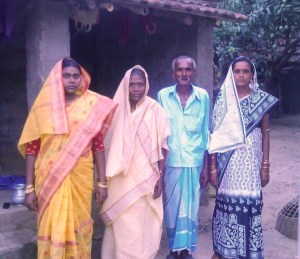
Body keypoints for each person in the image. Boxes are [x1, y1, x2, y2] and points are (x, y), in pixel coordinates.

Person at [18, 57, 117, 258]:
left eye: (75, 76)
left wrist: (103, 183)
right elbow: (32, 149)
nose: (71, 80)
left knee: (79, 225)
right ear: (57, 79)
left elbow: (98, 146)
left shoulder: (91, 105)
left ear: (81, 79)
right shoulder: (43, 108)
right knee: (52, 224)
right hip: (49, 178)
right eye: (66, 76)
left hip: (80, 176)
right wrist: (29, 188)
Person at [209, 56, 279, 259]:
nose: (241, 75)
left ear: (252, 74)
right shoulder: (223, 100)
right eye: (237, 71)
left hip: (250, 164)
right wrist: (213, 167)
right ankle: (224, 250)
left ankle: (248, 252)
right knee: (226, 205)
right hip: (227, 165)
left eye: (245, 71)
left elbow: (265, 133)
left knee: (249, 204)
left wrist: (265, 166)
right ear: (232, 74)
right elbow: (215, 135)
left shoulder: (261, 100)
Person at [100, 65, 171, 258]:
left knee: (143, 226)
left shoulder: (155, 109)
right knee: (122, 225)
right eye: (132, 85)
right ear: (126, 86)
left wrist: (160, 177)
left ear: (146, 85)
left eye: (140, 84)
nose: (137, 89)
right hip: (120, 181)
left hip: (147, 179)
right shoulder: (115, 112)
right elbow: (105, 144)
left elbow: (164, 146)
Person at [157, 56, 210, 259]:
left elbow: (205, 133)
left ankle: (186, 251)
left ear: (194, 73)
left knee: (190, 209)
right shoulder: (163, 96)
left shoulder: (203, 96)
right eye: (180, 70)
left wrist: (205, 166)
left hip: (194, 163)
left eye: (188, 70)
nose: (184, 74)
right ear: (174, 74)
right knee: (171, 209)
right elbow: (159, 133)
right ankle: (173, 250)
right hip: (171, 163)